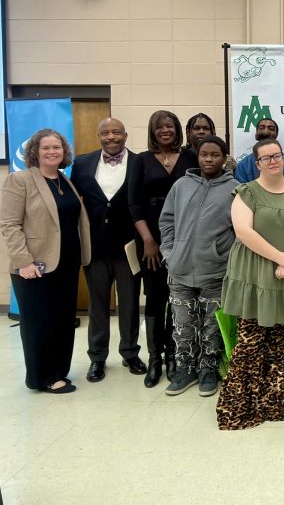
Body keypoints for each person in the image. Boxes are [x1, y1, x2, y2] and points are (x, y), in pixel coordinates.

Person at [216, 138, 284, 430]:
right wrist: (279, 258)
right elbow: (243, 232)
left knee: (280, 340)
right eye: (266, 158)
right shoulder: (245, 192)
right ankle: (238, 407)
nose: (273, 161)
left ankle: (277, 402)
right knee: (250, 340)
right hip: (256, 272)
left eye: (277, 155)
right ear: (257, 163)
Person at [0, 129, 91, 393]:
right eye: (46, 148)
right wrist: (23, 262)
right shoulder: (20, 180)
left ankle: (58, 371)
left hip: (66, 264)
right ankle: (42, 378)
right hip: (35, 267)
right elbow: (9, 224)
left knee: (63, 320)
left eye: (57, 147)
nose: (52, 152)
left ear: (64, 152)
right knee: (39, 322)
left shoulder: (64, 180)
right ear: (34, 152)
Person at [159, 136, 239, 397]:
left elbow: (240, 232)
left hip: (215, 272)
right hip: (179, 270)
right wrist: (169, 252)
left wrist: (223, 257)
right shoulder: (181, 185)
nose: (208, 159)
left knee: (211, 326)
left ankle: (208, 371)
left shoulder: (235, 189)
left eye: (215, 155)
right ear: (198, 156)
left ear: (224, 158)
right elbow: (167, 220)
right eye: (204, 154)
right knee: (183, 326)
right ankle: (185, 370)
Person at [70, 117, 146, 383]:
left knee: (129, 304)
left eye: (116, 132)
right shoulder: (81, 164)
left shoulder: (140, 162)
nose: (111, 137)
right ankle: (97, 358)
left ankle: (130, 353)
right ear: (98, 136)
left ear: (125, 135)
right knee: (97, 305)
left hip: (128, 247)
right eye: (105, 133)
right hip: (96, 247)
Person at [128, 110, 198, 388]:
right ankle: (155, 359)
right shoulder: (141, 161)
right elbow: (134, 204)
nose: (165, 131)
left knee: (179, 298)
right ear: (152, 131)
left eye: (170, 126)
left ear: (177, 129)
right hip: (151, 240)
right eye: (160, 127)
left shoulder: (191, 158)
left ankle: (175, 357)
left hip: (186, 236)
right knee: (156, 298)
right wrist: (148, 240)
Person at [235, 118, 284, 182]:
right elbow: (242, 190)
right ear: (256, 133)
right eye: (262, 128)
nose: (266, 131)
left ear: (276, 134)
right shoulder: (243, 165)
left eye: (271, 128)